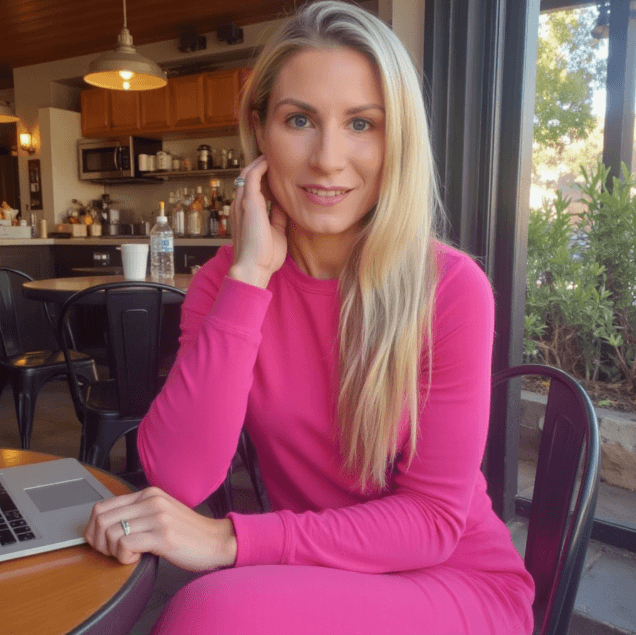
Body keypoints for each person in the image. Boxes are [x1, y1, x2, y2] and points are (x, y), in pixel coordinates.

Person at [83, 2, 535, 633]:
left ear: (397, 140)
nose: (327, 158)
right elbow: (180, 476)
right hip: (324, 570)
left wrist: (229, 540)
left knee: (210, 612)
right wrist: (248, 278)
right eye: (299, 120)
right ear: (261, 130)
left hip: (453, 579)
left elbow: (433, 520)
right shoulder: (225, 282)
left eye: (362, 124)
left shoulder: (451, 289)